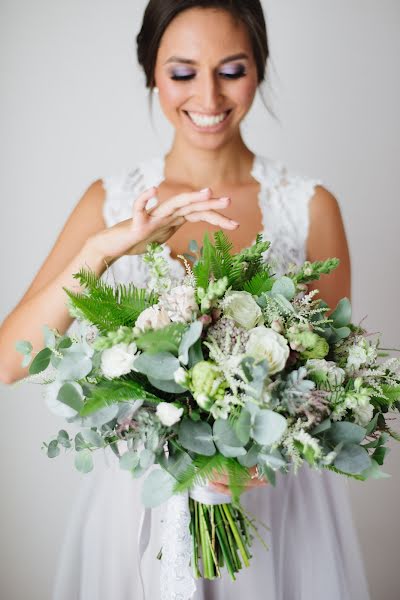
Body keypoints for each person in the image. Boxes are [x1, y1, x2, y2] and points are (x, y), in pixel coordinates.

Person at [0, 1, 371, 598]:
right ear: (151, 71)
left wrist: (252, 445)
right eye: (182, 72)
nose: (209, 95)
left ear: (260, 68)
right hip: (140, 510)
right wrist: (105, 247)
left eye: (231, 70)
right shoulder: (111, 199)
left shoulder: (308, 207)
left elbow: (332, 379)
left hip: (271, 507)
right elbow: (9, 360)